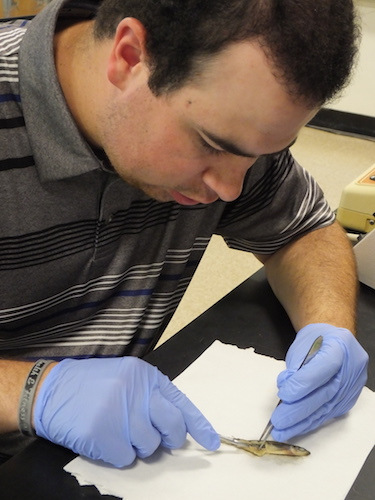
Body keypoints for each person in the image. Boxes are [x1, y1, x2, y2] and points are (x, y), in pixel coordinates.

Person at [0, 0, 368, 467]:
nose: (230, 189)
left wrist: (328, 329)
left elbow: (304, 229)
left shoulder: (229, 126)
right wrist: (34, 393)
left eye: (258, 156)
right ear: (130, 57)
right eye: (212, 145)